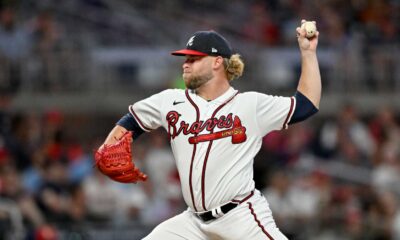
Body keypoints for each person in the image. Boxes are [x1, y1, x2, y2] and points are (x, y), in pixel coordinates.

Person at [98, 19, 321, 240]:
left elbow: (306, 105)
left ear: (217, 62)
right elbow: (132, 121)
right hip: (192, 222)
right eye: (186, 58)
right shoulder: (170, 101)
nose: (186, 63)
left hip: (240, 216)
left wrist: (308, 54)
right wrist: (109, 146)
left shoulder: (250, 105)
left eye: (194, 58)